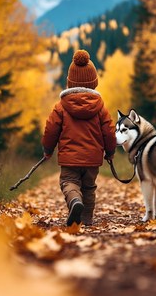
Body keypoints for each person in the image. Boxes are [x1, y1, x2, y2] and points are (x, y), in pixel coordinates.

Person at [42, 49, 116, 226]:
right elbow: (109, 131)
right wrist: (110, 151)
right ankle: (87, 219)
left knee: (69, 182)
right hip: (92, 158)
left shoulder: (61, 107)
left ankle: (75, 201)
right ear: (94, 82)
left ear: (69, 82)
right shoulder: (100, 107)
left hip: (69, 158)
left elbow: (51, 129)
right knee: (89, 187)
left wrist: (48, 149)